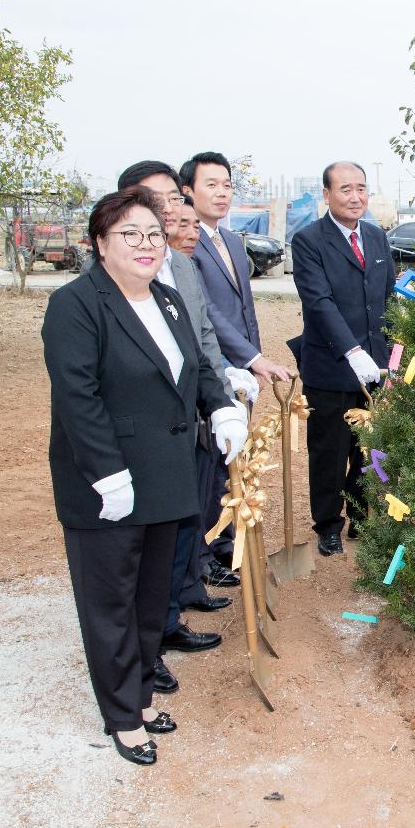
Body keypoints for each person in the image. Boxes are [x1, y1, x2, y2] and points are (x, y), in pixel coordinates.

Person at [43, 187, 248, 764]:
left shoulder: (168, 299)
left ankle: (137, 694)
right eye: (128, 234)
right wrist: (108, 474)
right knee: (110, 602)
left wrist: (222, 405)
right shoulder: (76, 306)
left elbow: (197, 368)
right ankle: (121, 715)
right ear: (100, 244)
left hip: (167, 477)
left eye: (153, 234)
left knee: (149, 598)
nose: (146, 244)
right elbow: (78, 399)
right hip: (108, 484)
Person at [118, 161, 248, 693]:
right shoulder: (116, 277)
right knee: (144, 547)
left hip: (194, 416)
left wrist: (224, 390)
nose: (170, 210)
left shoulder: (181, 266)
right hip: (145, 433)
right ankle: (146, 643)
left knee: (184, 520)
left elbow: (201, 339)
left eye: (174, 199)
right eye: (157, 200)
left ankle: (171, 617)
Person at [180, 151, 292, 583]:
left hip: (242, 373)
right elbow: (207, 313)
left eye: (227, 184)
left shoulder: (229, 240)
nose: (222, 192)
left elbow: (244, 310)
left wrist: (254, 356)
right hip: (215, 371)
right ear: (188, 190)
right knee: (209, 464)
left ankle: (226, 543)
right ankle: (203, 553)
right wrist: (251, 359)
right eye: (211, 184)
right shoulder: (187, 243)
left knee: (233, 461)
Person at [288, 161, 396, 556]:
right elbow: (319, 303)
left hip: (375, 367)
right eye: (346, 189)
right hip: (332, 365)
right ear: (327, 194)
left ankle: (360, 515)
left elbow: (387, 299)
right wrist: (353, 351)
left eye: (362, 189)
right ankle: (328, 524)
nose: (356, 197)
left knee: (367, 447)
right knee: (330, 450)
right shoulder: (309, 241)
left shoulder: (376, 237)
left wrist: (390, 350)